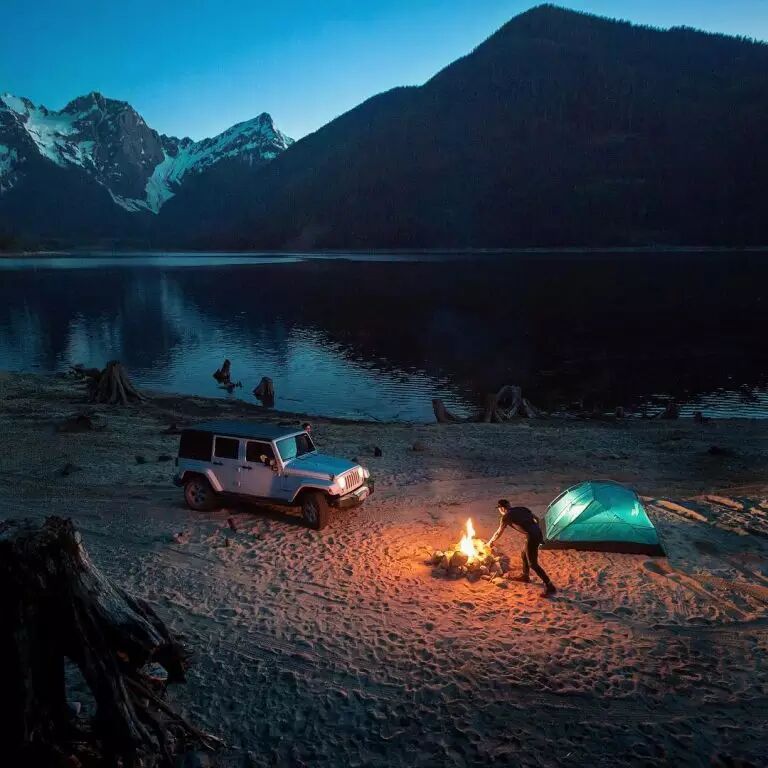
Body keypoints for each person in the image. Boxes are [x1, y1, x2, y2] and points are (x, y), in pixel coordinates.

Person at [487, 499, 556, 596]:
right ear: (509, 505)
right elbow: (537, 519)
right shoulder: (522, 509)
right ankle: (525, 576)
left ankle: (549, 586)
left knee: (533, 564)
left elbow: (499, 532)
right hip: (536, 533)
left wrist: (490, 542)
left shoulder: (506, 517)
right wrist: (533, 529)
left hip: (532, 536)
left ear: (502, 508)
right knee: (523, 554)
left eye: (499, 509)